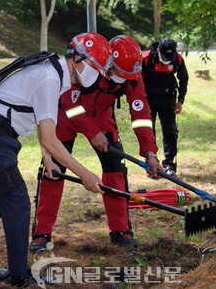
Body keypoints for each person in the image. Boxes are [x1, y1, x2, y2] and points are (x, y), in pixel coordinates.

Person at [0, 32, 111, 288]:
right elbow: (50, 139)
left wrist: (50, 160)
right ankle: (21, 276)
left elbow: (43, 124)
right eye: (95, 68)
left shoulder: (54, 73)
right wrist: (84, 174)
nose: (97, 75)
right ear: (78, 58)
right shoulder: (49, 77)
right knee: (17, 202)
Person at [30, 35, 163, 253]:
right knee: (54, 170)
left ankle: (121, 230)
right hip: (66, 116)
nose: (121, 79)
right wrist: (92, 133)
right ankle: (42, 233)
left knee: (115, 167)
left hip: (102, 118)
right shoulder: (90, 62)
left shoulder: (132, 74)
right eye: (117, 73)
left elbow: (141, 113)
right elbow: (69, 103)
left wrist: (150, 152)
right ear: (109, 62)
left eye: (127, 76)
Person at [141, 38, 189, 176]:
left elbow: (184, 79)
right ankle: (151, 163)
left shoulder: (177, 59)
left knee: (170, 131)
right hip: (149, 99)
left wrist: (180, 100)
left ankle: (169, 164)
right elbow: (138, 82)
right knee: (148, 131)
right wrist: (142, 102)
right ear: (158, 51)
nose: (167, 59)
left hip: (168, 98)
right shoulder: (145, 59)